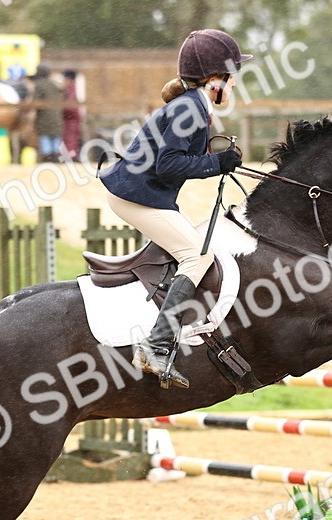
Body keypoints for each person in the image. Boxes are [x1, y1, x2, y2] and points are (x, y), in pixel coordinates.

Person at [100, 29, 249, 389]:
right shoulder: (190, 108)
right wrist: (216, 163)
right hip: (136, 197)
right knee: (197, 255)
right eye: (231, 77)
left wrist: (216, 161)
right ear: (214, 79)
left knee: (191, 249)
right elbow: (169, 164)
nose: (232, 85)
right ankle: (155, 345)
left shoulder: (193, 105)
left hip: (142, 194)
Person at [32, 65, 64, 163]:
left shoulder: (39, 85)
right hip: (57, 116)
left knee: (45, 137)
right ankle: (55, 157)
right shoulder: (55, 84)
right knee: (55, 137)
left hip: (44, 117)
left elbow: (36, 102)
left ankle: (48, 158)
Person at [61, 69, 82, 160]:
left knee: (70, 137)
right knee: (71, 137)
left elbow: (70, 106)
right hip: (71, 118)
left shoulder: (70, 89)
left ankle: (71, 155)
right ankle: (70, 154)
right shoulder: (71, 88)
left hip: (70, 118)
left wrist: (61, 109)